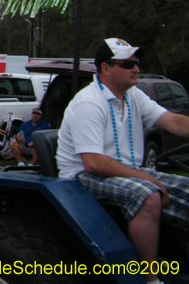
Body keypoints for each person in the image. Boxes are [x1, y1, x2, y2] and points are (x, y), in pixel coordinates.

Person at [57, 38, 189, 283]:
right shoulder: (88, 103)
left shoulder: (133, 96)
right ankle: (151, 279)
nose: (136, 69)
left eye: (136, 63)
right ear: (106, 68)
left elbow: (172, 121)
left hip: (125, 171)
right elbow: (93, 162)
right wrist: (145, 177)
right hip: (81, 178)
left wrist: (143, 175)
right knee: (149, 195)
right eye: (128, 64)